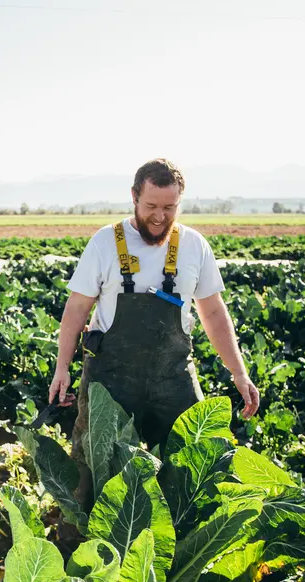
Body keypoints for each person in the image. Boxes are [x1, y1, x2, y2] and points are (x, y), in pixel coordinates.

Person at [49, 158, 260, 510]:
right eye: (151, 206)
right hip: (111, 377)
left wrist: (239, 372)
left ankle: (184, 547)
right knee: (93, 465)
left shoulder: (194, 245)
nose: (160, 216)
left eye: (169, 207)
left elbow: (213, 313)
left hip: (172, 375)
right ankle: (79, 549)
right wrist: (62, 368)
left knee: (193, 456)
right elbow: (76, 310)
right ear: (134, 197)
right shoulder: (105, 243)